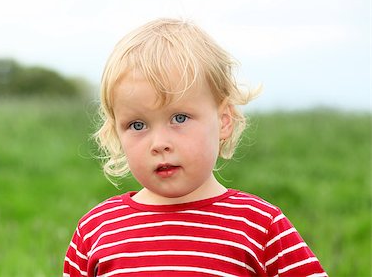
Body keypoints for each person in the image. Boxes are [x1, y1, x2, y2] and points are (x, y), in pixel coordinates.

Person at [63, 18, 326, 276]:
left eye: (179, 118)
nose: (159, 144)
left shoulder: (259, 226)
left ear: (224, 120)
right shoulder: (97, 230)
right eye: (137, 125)